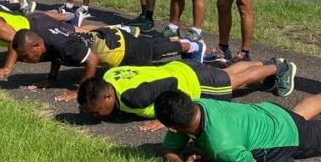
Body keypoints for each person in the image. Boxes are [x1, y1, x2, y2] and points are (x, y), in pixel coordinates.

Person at [155, 76, 321, 162]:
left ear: (172, 128)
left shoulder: (222, 148)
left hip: (287, 137)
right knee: (298, 115)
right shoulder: (195, 105)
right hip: (269, 112)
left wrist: (210, 157)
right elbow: (168, 149)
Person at [2, 20, 203, 102]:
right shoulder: (46, 37)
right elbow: (56, 54)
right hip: (108, 36)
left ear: (37, 46)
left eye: (26, 56)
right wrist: (52, 78)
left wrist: (80, 90)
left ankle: (192, 46)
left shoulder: (64, 46)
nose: (25, 60)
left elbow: (92, 59)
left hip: (121, 49)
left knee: (152, 53)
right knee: (149, 45)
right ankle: (176, 41)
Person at [78, 57, 297, 130]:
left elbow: (171, 84)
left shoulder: (133, 98)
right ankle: (268, 62)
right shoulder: (109, 76)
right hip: (181, 67)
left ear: (108, 97)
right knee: (229, 74)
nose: (95, 115)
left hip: (193, 82)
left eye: (97, 111)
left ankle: (281, 68)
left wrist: (164, 118)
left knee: (236, 82)